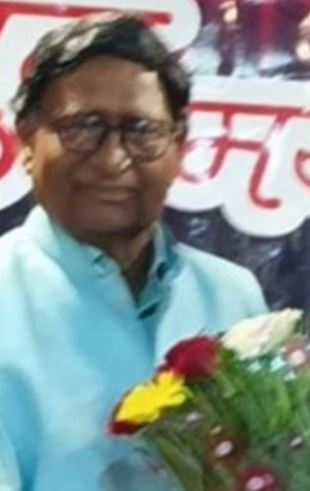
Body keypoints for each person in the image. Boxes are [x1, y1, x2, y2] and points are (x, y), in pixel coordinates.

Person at [0, 15, 267, 490]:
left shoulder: (233, 295)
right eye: (83, 128)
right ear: (27, 140)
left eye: (142, 131)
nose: (113, 159)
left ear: (178, 146)